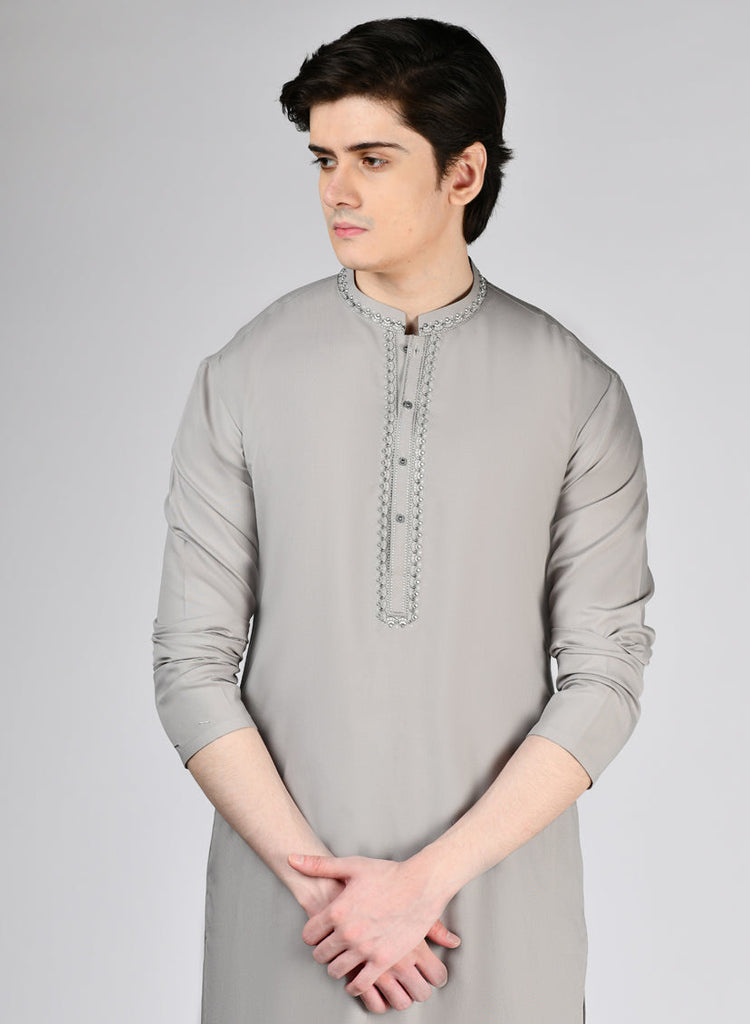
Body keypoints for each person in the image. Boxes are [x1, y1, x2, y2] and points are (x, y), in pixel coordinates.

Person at [151, 16, 656, 1023]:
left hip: (496, 908)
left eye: (372, 159)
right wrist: (330, 901)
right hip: (288, 915)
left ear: (462, 173)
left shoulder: (577, 392)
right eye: (324, 159)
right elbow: (189, 664)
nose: (336, 191)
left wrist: (423, 883)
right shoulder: (241, 375)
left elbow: (605, 675)